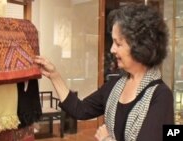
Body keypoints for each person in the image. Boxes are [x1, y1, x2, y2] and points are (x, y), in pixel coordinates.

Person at [34, 3, 174, 141]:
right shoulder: (116, 84)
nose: (112, 49)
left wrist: (106, 139)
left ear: (141, 46)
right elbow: (79, 109)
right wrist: (54, 76)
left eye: (118, 44)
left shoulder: (161, 96)